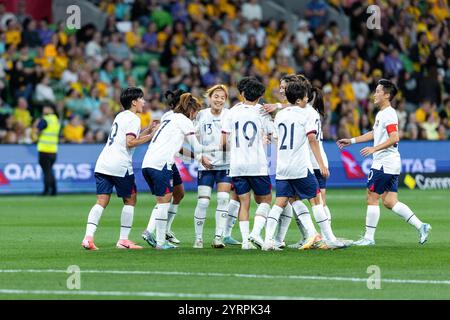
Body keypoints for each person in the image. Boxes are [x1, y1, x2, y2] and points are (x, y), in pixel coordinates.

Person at [337, 79, 432, 245]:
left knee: (372, 197)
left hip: (384, 164)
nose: (375, 94)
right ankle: (421, 226)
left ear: (387, 95)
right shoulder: (382, 114)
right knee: (389, 201)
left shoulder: (388, 114)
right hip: (390, 163)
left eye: (378, 91)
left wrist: (375, 149)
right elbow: (374, 134)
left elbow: (395, 138)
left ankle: (368, 238)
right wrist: (351, 141)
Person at [81, 87, 155, 250]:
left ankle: (88, 237)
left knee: (101, 201)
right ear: (134, 102)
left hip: (103, 162)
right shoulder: (134, 118)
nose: (144, 101)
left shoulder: (121, 116)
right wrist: (150, 137)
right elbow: (129, 142)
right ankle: (123, 240)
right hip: (119, 164)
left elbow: (125, 137)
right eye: (141, 99)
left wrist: (146, 130)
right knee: (130, 199)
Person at [141, 93, 218, 250]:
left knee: (165, 200)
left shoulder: (169, 118)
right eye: (195, 112)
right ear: (191, 111)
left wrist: (197, 157)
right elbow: (197, 147)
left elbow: (181, 148)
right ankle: (161, 242)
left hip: (147, 163)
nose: (195, 116)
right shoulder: (184, 121)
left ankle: (157, 236)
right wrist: (218, 147)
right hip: (161, 164)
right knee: (164, 203)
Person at [263, 80, 330, 251]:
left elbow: (276, 139)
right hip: (300, 166)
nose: (308, 99)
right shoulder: (304, 115)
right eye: (306, 97)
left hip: (283, 167)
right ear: (299, 100)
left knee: (280, 203)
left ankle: (268, 240)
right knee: (316, 200)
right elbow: (312, 140)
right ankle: (328, 238)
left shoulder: (280, 115)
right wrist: (322, 164)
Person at [221, 77, 273, 250]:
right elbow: (272, 134)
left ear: (242, 94)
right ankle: (255, 234)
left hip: (237, 165)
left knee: (244, 202)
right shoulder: (262, 111)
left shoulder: (231, 112)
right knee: (266, 200)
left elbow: (224, 141)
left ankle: (245, 242)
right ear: (259, 97)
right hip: (257, 164)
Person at [143, 89, 189, 246]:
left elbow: (176, 145)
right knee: (164, 198)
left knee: (179, 193)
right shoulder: (179, 118)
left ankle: (166, 230)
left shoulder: (167, 116)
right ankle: (151, 231)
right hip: (163, 160)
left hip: (168, 159)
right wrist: (199, 155)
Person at [193, 84, 235, 248]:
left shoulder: (230, 115)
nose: (219, 100)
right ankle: (198, 239)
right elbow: (193, 138)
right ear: (209, 98)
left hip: (225, 164)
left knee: (224, 199)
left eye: (222, 97)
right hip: (206, 165)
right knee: (203, 202)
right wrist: (199, 156)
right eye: (216, 96)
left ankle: (218, 237)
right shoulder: (201, 115)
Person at [34, 104, 60, 196]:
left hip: (44, 149)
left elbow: (37, 130)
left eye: (46, 107)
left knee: (46, 172)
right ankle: (54, 190)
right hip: (53, 150)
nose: (44, 109)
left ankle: (46, 190)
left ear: (50, 109)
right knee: (49, 171)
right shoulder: (56, 120)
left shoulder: (45, 119)